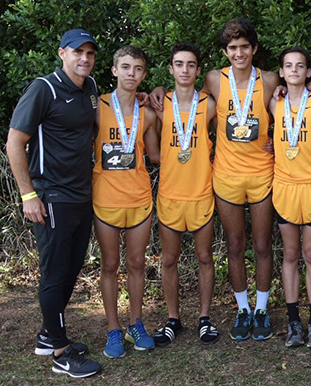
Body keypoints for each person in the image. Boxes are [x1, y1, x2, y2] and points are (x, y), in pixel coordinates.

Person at [150, 18, 288, 342]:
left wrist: (279, 138)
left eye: (244, 47)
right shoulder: (213, 79)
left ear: (253, 48)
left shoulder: (269, 80)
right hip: (225, 175)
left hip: (262, 175)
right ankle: (242, 309)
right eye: (232, 48)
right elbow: (184, 102)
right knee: (236, 245)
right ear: (225, 52)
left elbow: (288, 112)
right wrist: (157, 91)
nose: (238, 53)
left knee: (263, 244)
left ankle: (262, 308)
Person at [7, 28, 102, 377]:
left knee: (72, 268)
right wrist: (28, 194)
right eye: (78, 52)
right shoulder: (42, 89)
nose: (85, 59)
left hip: (81, 194)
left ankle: (49, 335)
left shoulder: (90, 89)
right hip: (51, 196)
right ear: (62, 53)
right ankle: (61, 354)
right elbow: (14, 143)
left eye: (90, 54)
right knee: (55, 273)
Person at [93, 45, 159, 358]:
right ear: (114, 70)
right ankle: (113, 329)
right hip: (105, 199)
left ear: (144, 74)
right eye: (126, 67)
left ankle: (136, 323)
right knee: (109, 264)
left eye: (138, 69)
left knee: (136, 264)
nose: (132, 74)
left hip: (139, 199)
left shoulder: (147, 111)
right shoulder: (96, 105)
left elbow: (158, 155)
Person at [152, 42, 220, 347]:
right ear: (170, 68)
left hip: (201, 192)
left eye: (190, 65)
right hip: (169, 194)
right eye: (179, 64)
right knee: (169, 259)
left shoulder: (210, 104)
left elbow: (231, 140)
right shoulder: (157, 104)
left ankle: (205, 319)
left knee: (205, 257)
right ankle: (173, 319)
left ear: (197, 70)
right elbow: (152, 152)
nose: (184, 70)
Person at [269, 47, 311, 348]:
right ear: (281, 72)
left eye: (301, 66)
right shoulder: (274, 101)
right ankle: (294, 321)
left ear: (308, 72)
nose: (294, 70)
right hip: (284, 187)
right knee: (291, 255)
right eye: (288, 66)